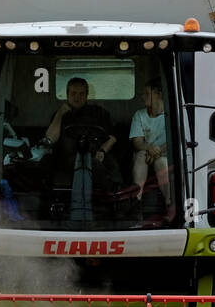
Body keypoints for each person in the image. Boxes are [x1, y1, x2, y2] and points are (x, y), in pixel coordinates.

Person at [45, 77, 118, 221]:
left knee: (108, 165)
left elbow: (112, 137)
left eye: (81, 94)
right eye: (73, 94)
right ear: (67, 95)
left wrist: (102, 151)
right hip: (67, 160)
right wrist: (60, 114)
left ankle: (115, 200)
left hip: (96, 156)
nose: (77, 97)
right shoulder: (60, 114)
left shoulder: (99, 113)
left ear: (87, 94)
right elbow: (50, 139)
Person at [129, 79, 174, 222]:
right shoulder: (139, 115)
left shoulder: (170, 113)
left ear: (159, 94)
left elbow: (175, 138)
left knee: (161, 162)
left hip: (166, 154)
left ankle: (169, 205)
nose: (143, 97)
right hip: (146, 153)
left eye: (147, 93)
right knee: (141, 155)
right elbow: (137, 142)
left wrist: (157, 151)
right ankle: (137, 202)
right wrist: (149, 148)